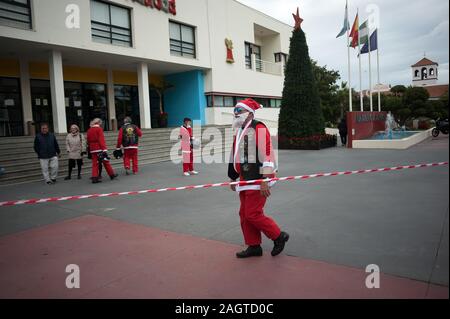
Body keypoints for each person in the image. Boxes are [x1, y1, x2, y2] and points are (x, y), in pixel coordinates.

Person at [228, 98, 289, 258]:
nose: (235, 114)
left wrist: (265, 179)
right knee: (244, 214)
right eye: (235, 111)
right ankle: (254, 246)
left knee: (253, 214)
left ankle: (278, 236)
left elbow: (267, 153)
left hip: (257, 179)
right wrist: (233, 177)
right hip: (244, 179)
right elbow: (235, 155)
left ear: (249, 112)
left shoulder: (258, 127)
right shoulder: (240, 130)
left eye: (239, 111)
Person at [86, 118, 118, 184]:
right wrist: (104, 149)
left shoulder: (89, 130)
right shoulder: (99, 129)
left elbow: (88, 141)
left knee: (95, 164)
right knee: (106, 161)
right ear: (99, 123)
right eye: (101, 123)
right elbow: (101, 140)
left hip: (92, 149)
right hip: (99, 148)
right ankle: (111, 174)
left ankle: (94, 177)